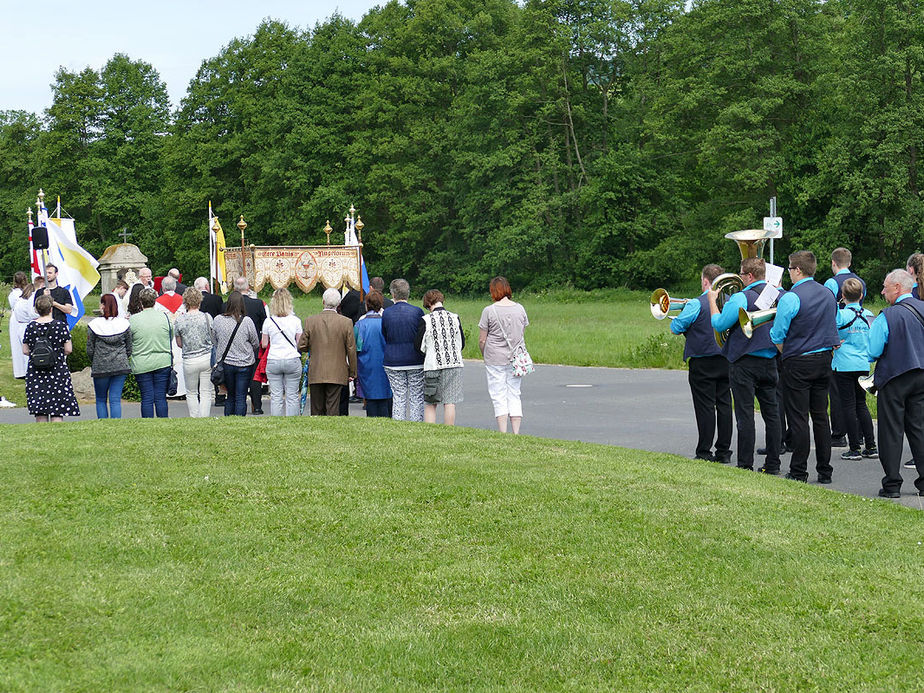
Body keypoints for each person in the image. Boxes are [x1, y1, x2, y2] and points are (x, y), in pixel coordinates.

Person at [770, 251, 840, 484]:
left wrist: (786, 352)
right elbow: (835, 322)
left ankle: (799, 470)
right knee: (821, 416)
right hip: (824, 359)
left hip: (799, 360)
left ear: (797, 270)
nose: (789, 272)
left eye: (790, 268)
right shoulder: (829, 293)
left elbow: (777, 333)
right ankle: (825, 471)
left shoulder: (790, 297)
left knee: (798, 417)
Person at [710, 258, 783, 472]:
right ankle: (773, 464)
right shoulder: (779, 296)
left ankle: (745, 465)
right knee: (772, 414)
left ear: (749, 276)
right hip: (770, 361)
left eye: (742, 275)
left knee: (745, 415)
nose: (740, 278)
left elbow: (719, 323)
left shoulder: (740, 297)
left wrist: (713, 301)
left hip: (744, 362)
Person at [868, 269, 924, 498]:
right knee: (919, 429)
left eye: (885, 287)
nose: (882, 291)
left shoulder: (886, 316)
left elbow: (873, 351)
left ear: (898, 288)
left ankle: (892, 484)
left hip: (894, 377)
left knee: (891, 432)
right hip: (921, 375)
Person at [670, 264, 733, 463]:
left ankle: (704, 451)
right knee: (724, 405)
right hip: (725, 358)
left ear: (705, 281)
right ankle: (724, 451)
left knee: (705, 406)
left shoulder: (695, 304)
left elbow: (676, 327)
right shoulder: (730, 302)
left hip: (702, 360)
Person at [823, 248, 866, 448]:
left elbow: (827, 308)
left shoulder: (832, 283)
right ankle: (861, 434)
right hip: (858, 339)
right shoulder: (861, 282)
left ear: (833, 263)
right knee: (859, 399)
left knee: (839, 393)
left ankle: (839, 433)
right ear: (849, 262)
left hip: (840, 336)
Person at [478, 276, 529, 434]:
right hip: (516, 357)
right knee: (514, 392)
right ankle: (516, 431)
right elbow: (521, 333)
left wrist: (484, 353)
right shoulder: (520, 308)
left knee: (498, 393)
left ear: (493, 291)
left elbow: (482, 339)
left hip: (494, 357)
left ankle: (503, 431)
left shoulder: (489, 310)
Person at [832, 278, 876, 460]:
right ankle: (871, 445)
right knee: (861, 404)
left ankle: (854, 448)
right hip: (862, 364)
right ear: (862, 295)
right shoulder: (869, 314)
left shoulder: (841, 315)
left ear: (843, 296)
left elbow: (831, 332)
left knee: (848, 406)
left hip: (843, 365)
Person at [297, 288, 357, 416]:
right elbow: (351, 349)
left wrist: (314, 347)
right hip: (338, 370)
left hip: (316, 369)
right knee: (333, 407)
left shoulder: (310, 321)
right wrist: (352, 372)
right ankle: (331, 432)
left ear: (323, 301)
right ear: (339, 304)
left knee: (316, 408)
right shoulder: (346, 322)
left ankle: (317, 432)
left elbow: (301, 345)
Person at [22, 293, 80, 422]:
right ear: (51, 309)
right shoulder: (60, 326)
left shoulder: (30, 327)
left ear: (36, 310)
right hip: (57, 369)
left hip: (36, 371)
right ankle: (57, 438)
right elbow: (68, 349)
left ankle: (42, 438)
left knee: (40, 410)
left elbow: (25, 350)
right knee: (57, 409)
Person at [416, 289, 465, 425]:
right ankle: (449, 431)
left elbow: (419, 345)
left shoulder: (426, 320)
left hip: (433, 364)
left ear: (428, 304)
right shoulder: (455, 317)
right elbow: (461, 342)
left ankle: (431, 431)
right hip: (454, 363)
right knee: (450, 402)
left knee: (430, 402)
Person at [382, 279, 426, 421]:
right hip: (415, 359)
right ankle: (416, 424)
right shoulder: (417, 312)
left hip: (393, 360)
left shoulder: (387, 313)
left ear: (393, 294)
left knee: (399, 396)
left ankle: (399, 424)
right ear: (408, 293)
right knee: (416, 395)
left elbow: (385, 333)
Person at [212, 290, 259, 416]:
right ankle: (239, 420)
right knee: (241, 395)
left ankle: (228, 420)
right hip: (244, 363)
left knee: (230, 395)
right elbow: (255, 342)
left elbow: (214, 340)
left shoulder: (218, 320)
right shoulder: (247, 321)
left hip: (226, 362)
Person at [86, 293, 132, 419]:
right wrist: (123, 357)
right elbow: (129, 347)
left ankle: (103, 425)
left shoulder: (94, 324)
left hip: (101, 364)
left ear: (102, 305)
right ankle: (116, 425)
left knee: (101, 399)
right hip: (120, 364)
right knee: (115, 398)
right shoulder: (124, 324)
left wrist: (94, 360)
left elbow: (90, 348)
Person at [129, 288, 173, 418]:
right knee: (160, 397)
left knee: (147, 397)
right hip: (162, 360)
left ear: (141, 302)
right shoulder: (165, 317)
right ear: (155, 301)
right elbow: (170, 336)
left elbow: (129, 340)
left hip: (141, 362)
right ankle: (163, 422)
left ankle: (147, 424)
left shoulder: (134, 320)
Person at [226, 277, 267, 414]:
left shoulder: (227, 305)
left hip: (231, 349)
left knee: (235, 384)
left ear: (234, 289)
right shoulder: (257, 304)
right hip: (252, 347)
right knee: (255, 379)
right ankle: (257, 406)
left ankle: (235, 407)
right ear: (248, 288)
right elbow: (264, 325)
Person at [261, 287, 303, 416]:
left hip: (274, 359)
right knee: (292, 396)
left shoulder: (268, 321)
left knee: (276, 396)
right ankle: (292, 423)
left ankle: (276, 422)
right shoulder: (295, 321)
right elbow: (299, 343)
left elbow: (264, 344)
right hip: (292, 359)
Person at [175, 287, 214, 418]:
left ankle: (194, 417)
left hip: (189, 359)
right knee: (205, 392)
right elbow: (213, 337)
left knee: (191, 392)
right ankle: (204, 418)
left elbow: (179, 343)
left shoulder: (180, 320)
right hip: (206, 357)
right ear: (199, 300)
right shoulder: (207, 317)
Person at [355, 290, 393, 417]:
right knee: (385, 398)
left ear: (367, 304)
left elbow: (356, 347)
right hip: (384, 364)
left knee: (370, 400)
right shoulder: (386, 322)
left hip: (367, 365)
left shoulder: (360, 324)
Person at [10, 280, 38, 379]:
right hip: (26, 325)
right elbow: (32, 314)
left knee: (23, 350)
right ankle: (29, 372)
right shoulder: (27, 303)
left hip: (20, 326)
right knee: (28, 351)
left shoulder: (19, 301)